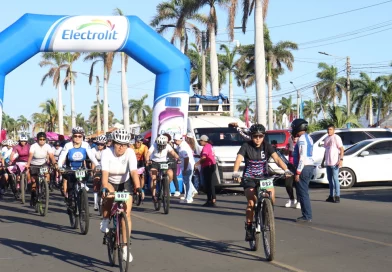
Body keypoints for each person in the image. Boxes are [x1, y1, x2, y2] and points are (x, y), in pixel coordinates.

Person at [232, 124, 292, 241]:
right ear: (251, 136)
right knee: (251, 202)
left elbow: (277, 159)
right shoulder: (246, 146)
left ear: (263, 136)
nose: (258, 139)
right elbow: (238, 159)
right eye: (255, 136)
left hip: (264, 177)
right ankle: (249, 227)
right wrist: (235, 172)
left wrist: (286, 170)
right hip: (249, 178)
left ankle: (266, 214)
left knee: (272, 196)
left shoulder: (267, 146)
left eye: (260, 136)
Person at [99, 129, 141, 263]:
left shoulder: (130, 152)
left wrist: (138, 187)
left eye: (124, 144)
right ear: (113, 143)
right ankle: (105, 219)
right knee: (110, 197)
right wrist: (105, 187)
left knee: (126, 215)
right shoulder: (106, 153)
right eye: (118, 144)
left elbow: (134, 172)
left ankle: (125, 248)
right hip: (110, 181)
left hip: (125, 183)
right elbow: (104, 175)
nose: (121, 147)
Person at [58, 127, 99, 201]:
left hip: (81, 169)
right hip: (70, 169)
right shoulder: (68, 145)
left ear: (83, 137)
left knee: (84, 180)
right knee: (70, 187)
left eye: (80, 136)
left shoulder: (85, 145)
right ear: (72, 136)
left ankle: (82, 195)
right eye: (75, 136)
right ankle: (70, 201)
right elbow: (61, 157)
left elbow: (92, 156)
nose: (77, 138)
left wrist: (97, 165)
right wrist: (60, 166)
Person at [291, 119, 314, 223]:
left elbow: (302, 157)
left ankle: (307, 216)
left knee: (303, 193)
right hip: (309, 166)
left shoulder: (301, 140)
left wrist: (298, 172)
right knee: (304, 192)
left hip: (304, 167)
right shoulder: (308, 137)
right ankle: (307, 214)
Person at [146, 134, 180, 203]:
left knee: (170, 173)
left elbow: (172, 152)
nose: (161, 147)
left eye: (163, 145)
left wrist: (178, 158)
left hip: (164, 163)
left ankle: (166, 186)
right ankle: (154, 195)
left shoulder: (168, 145)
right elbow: (148, 153)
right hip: (154, 163)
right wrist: (147, 160)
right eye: (160, 145)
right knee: (153, 178)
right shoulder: (154, 145)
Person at [26, 132, 57, 203]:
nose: (42, 141)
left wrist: (55, 163)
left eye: (44, 139)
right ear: (37, 140)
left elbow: (51, 155)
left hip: (43, 163)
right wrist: (28, 164)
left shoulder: (48, 146)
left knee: (47, 174)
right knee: (34, 181)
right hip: (34, 164)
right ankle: (33, 195)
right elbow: (30, 156)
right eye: (40, 139)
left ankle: (45, 186)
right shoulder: (33, 146)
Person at [321, 124, 344, 203]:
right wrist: (323, 161)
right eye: (328, 129)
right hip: (328, 162)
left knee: (335, 179)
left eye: (330, 129)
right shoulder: (326, 138)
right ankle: (331, 195)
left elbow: (341, 149)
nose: (329, 131)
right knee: (329, 180)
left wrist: (341, 160)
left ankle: (337, 195)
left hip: (335, 162)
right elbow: (325, 151)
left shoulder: (336, 138)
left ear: (334, 130)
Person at [194, 135, 217, 207]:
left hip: (208, 166)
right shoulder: (210, 146)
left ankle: (210, 200)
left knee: (208, 184)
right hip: (212, 165)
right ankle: (213, 199)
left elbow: (204, 157)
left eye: (200, 141)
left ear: (204, 141)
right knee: (211, 183)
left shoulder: (206, 147)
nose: (199, 142)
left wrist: (196, 164)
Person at [173, 134, 197, 204]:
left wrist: (185, 169)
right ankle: (187, 196)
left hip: (187, 167)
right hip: (185, 166)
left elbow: (186, 158)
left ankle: (189, 198)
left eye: (175, 141)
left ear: (177, 140)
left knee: (188, 182)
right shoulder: (181, 145)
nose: (174, 142)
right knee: (186, 182)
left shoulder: (183, 147)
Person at [91, 134, 106, 210]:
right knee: (96, 183)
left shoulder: (107, 151)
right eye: (98, 144)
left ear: (104, 144)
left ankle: (103, 199)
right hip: (97, 167)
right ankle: (95, 203)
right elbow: (93, 162)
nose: (100, 146)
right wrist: (93, 171)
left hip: (105, 168)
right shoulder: (93, 150)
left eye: (102, 144)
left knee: (106, 183)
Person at [285, 135, 301, 209]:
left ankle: (299, 201)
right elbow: (286, 153)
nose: (294, 138)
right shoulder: (289, 144)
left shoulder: (300, 144)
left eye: (296, 137)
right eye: (293, 137)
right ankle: (291, 199)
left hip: (298, 165)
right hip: (290, 166)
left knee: (298, 185)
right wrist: (288, 148)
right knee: (288, 184)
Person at [130, 135, 148, 200]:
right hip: (133, 163)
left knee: (143, 176)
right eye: (136, 142)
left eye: (139, 142)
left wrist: (147, 161)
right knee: (136, 175)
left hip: (141, 163)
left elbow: (146, 156)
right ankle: (134, 187)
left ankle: (141, 188)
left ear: (142, 142)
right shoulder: (132, 146)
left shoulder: (144, 147)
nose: (137, 144)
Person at [163, 133, 181, 197]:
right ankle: (174, 190)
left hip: (170, 161)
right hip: (172, 161)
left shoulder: (167, 144)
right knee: (172, 176)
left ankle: (172, 191)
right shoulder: (171, 144)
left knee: (170, 176)